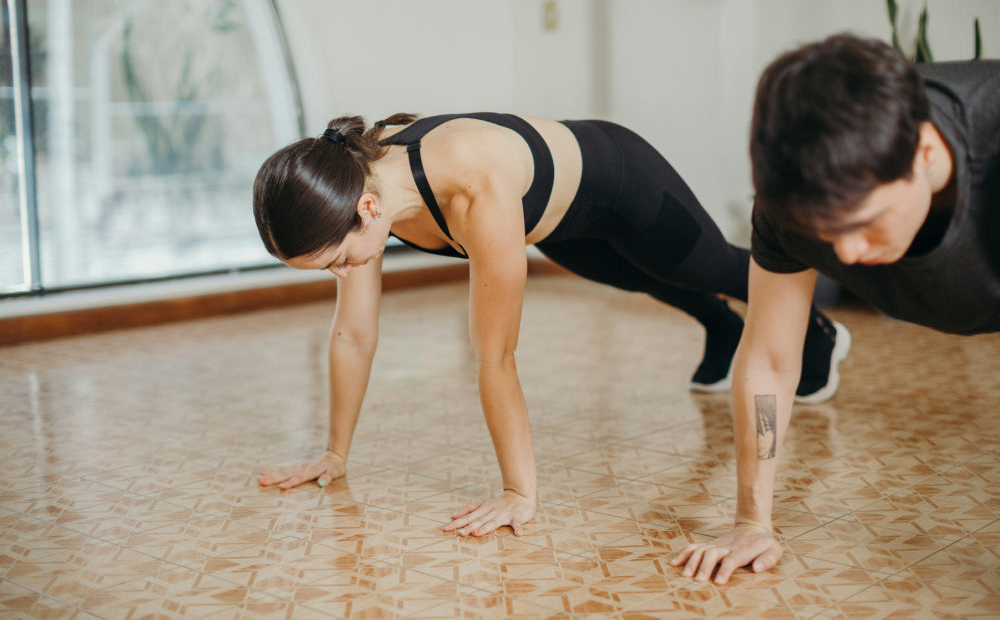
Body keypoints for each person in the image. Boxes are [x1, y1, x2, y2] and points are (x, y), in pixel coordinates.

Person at [252, 111, 847, 537]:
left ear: (368, 210)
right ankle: (721, 329)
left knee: (708, 264)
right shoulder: (350, 183)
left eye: (338, 261)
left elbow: (496, 356)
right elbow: (354, 334)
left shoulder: (472, 188)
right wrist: (335, 454)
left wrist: (518, 493)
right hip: (559, 218)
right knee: (643, 277)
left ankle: (818, 330)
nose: (342, 275)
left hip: (618, 175)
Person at [671, 34, 1000, 583]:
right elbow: (771, 361)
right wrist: (752, 520)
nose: (845, 254)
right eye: (824, 232)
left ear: (922, 153)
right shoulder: (789, 200)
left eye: (866, 222)